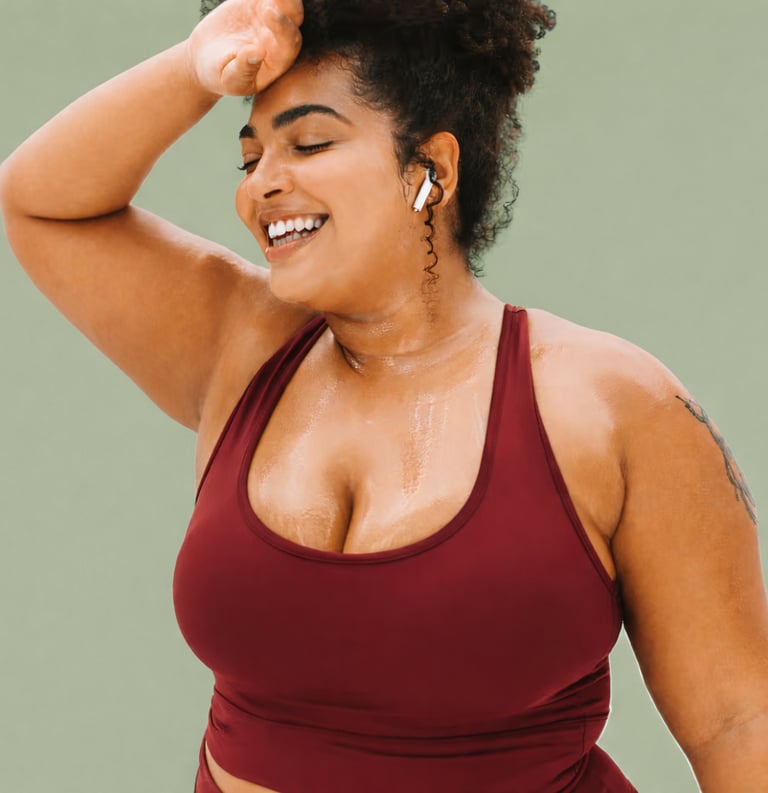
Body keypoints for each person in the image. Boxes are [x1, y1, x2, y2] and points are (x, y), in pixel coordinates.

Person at [1, 0, 767, 791]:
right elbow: (43, 201)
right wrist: (198, 65)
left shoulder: (612, 404)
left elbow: (738, 723)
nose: (261, 185)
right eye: (249, 157)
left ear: (429, 170)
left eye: (309, 142)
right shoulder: (242, 344)